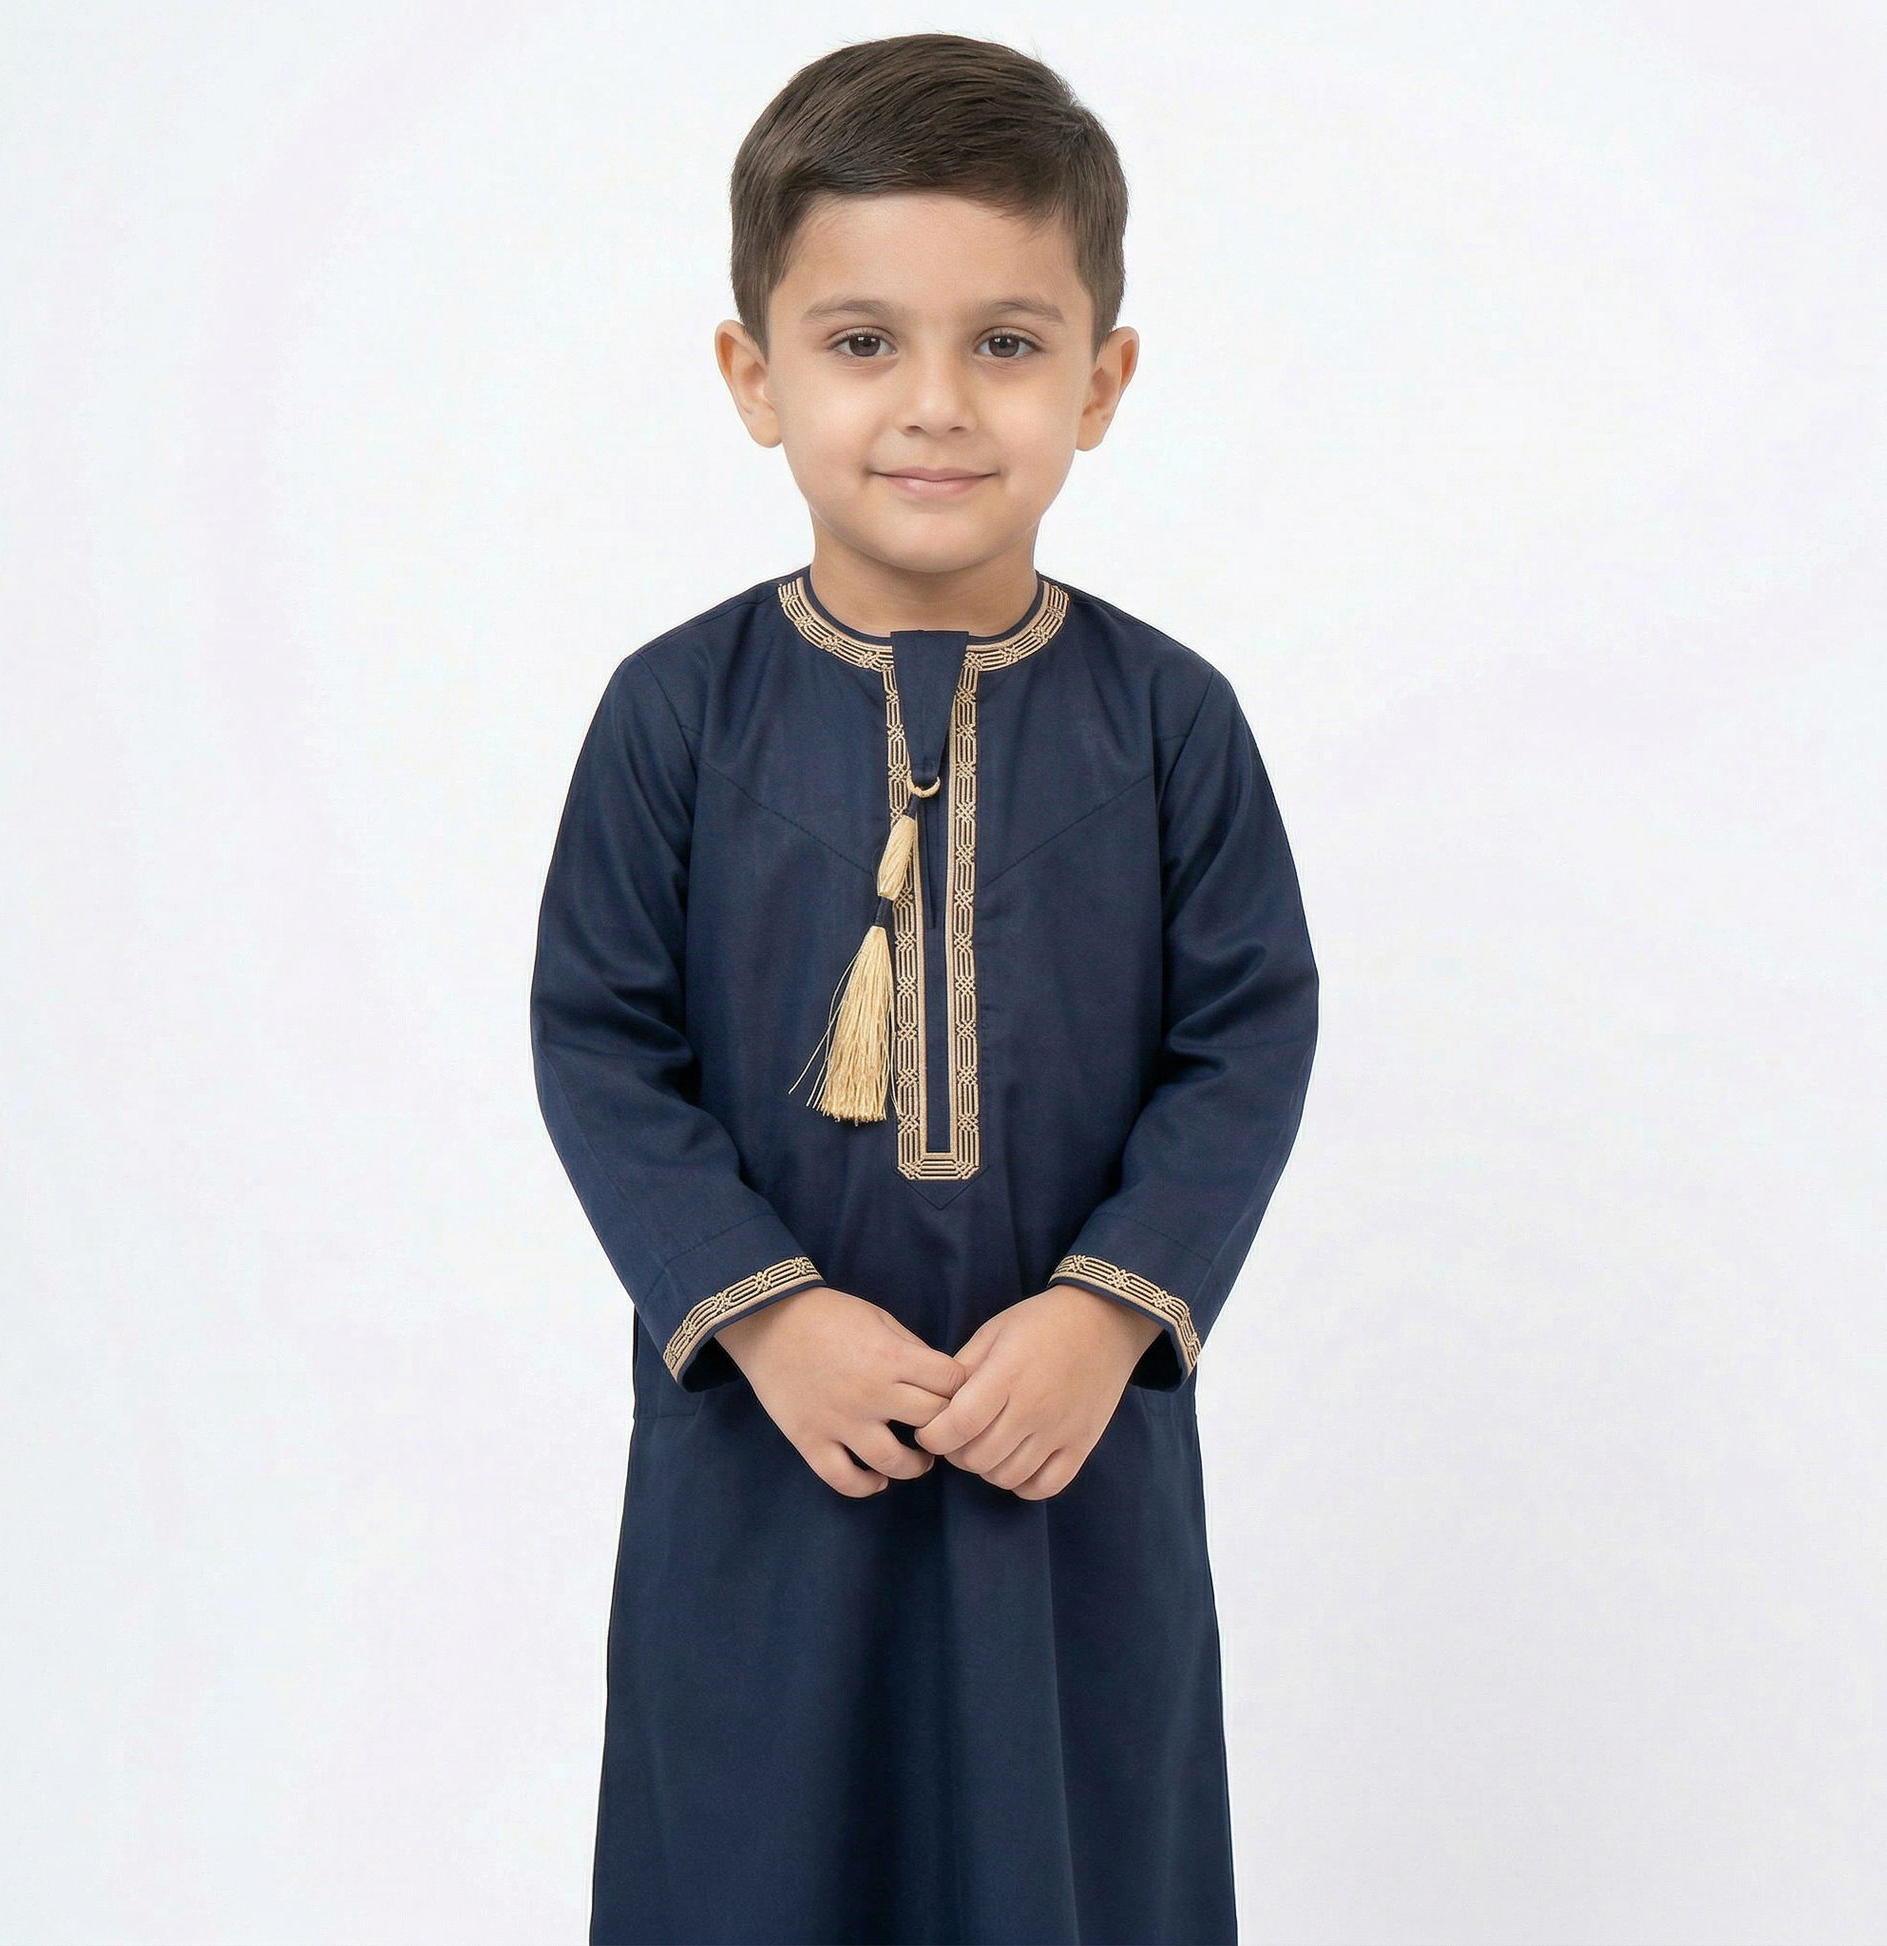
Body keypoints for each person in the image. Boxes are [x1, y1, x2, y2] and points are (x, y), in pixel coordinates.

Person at [530, 30, 1319, 1945]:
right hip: (770, 1429)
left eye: (1009, 342)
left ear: (1101, 381)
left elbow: (1244, 1035)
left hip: (1065, 1432)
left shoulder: (1169, 722)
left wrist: (1108, 1315)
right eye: (864, 341)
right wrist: (768, 1316)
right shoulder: (674, 714)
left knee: (1074, 1843)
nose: (937, 405)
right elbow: (599, 1039)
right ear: (756, 375)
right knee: (752, 1844)